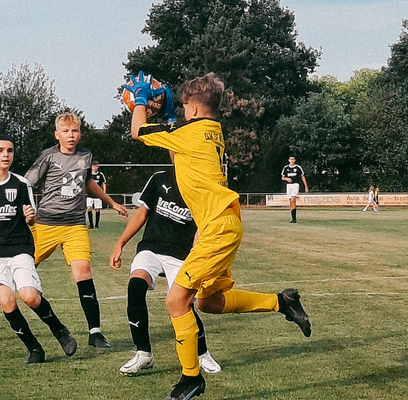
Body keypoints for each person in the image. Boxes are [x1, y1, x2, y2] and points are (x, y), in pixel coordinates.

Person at [125, 71, 311, 400]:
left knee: (175, 300)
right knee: (208, 302)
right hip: (223, 224)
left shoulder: (190, 132)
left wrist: (140, 98)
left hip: (216, 227)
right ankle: (281, 302)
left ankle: (190, 378)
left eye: (183, 108)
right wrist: (169, 114)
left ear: (193, 111)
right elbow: (178, 153)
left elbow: (137, 131)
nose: (182, 113)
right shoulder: (210, 131)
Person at [0, 111, 128, 348]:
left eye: (75, 131)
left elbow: (87, 182)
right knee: (18, 277)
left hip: (75, 225)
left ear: (80, 134)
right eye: (65, 131)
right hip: (45, 224)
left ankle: (95, 333)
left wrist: (112, 202)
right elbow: (24, 184)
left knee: (84, 272)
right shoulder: (48, 157)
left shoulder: (86, 155)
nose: (71, 135)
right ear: (57, 135)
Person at [0, 137, 77, 364]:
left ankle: (60, 330)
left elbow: (31, 219)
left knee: (30, 297)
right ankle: (34, 349)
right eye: (0, 150)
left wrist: (31, 218)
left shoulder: (21, 184)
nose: (5, 154)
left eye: (10, 151)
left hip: (19, 249)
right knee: (7, 300)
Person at [111, 167, 221, 376]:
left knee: (183, 304)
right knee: (135, 286)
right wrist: (120, 244)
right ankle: (143, 354)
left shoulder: (200, 184)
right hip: (150, 249)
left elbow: (201, 229)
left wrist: (197, 260)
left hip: (181, 256)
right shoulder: (160, 178)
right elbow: (142, 214)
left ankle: (202, 353)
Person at [281, 156, 309, 223]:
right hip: (289, 186)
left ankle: (294, 219)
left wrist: (306, 186)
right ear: (289, 160)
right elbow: (282, 177)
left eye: (293, 159)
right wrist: (286, 179)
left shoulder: (298, 168)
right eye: (291, 159)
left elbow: (302, 176)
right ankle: (293, 218)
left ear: (295, 160)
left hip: (295, 185)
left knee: (293, 200)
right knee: (291, 202)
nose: (292, 160)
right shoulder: (286, 168)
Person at [87, 160, 107, 229]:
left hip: (98, 195)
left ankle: (97, 225)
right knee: (89, 208)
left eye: (97, 166)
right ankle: (91, 224)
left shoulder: (100, 174)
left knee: (97, 209)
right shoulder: (89, 174)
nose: (96, 167)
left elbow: (104, 183)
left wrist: (104, 192)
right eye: (95, 166)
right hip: (89, 195)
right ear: (92, 167)